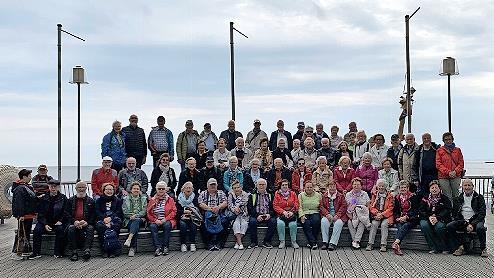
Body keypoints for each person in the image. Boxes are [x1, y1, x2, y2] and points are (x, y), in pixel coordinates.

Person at [447, 179, 488, 257]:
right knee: (449, 226)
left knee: (480, 228)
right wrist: (465, 223)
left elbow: (482, 214)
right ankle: (460, 246)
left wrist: (472, 224)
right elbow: (455, 214)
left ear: (473, 187)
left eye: (469, 185)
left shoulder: (479, 197)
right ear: (462, 187)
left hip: (475, 220)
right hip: (463, 220)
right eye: (465, 185)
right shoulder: (458, 198)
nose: (467, 187)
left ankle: (483, 248)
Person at [31, 179, 68, 259]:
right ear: (49, 187)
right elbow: (40, 213)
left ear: (58, 187)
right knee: (37, 230)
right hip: (45, 221)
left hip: (57, 222)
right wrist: (45, 224)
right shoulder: (43, 198)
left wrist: (60, 221)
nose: (53, 188)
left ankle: (58, 252)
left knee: (61, 230)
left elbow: (65, 212)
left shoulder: (63, 198)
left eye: (55, 186)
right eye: (51, 186)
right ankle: (36, 252)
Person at [419, 180, 452, 254]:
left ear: (439, 189)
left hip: (440, 218)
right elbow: (421, 210)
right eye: (432, 188)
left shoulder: (444, 198)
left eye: (436, 188)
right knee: (424, 225)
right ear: (429, 189)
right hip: (427, 218)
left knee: (439, 227)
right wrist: (429, 217)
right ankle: (433, 247)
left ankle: (444, 247)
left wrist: (437, 217)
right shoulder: (425, 198)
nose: (434, 189)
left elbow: (448, 210)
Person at [66, 181, 95, 261]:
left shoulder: (91, 201)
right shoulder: (70, 200)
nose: (81, 189)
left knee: (90, 228)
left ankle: (87, 250)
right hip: (74, 223)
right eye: (79, 187)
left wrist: (87, 222)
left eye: (83, 187)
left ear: (86, 188)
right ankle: (74, 252)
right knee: (71, 228)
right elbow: (67, 214)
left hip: (86, 223)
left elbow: (93, 215)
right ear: (76, 189)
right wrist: (74, 221)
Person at [11, 169, 36, 261]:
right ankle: (17, 252)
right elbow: (19, 202)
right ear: (24, 177)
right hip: (24, 215)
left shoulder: (25, 187)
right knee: (22, 233)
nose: (30, 177)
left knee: (25, 233)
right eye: (29, 176)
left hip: (28, 214)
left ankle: (24, 251)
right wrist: (20, 215)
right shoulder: (20, 188)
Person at [391, 181, 422, 255]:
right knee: (400, 226)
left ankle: (396, 243)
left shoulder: (413, 197)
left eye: (405, 187)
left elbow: (415, 210)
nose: (403, 189)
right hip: (400, 218)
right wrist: (398, 218)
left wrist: (407, 217)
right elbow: (395, 211)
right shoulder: (397, 197)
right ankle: (397, 246)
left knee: (405, 226)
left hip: (412, 218)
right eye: (401, 187)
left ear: (408, 188)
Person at [198, 178, 229, 250]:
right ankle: (209, 244)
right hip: (207, 213)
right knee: (202, 223)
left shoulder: (221, 193)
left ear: (217, 185)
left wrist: (218, 207)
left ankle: (219, 243)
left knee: (225, 222)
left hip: (219, 213)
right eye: (211, 185)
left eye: (214, 185)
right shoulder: (203, 193)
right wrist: (210, 209)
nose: (213, 186)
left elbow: (225, 202)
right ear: (207, 186)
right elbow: (200, 204)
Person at [147, 181, 177, 256]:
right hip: (155, 220)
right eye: (159, 189)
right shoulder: (152, 199)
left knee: (167, 225)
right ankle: (157, 248)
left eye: (162, 189)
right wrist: (155, 220)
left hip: (167, 219)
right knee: (152, 226)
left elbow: (174, 211)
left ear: (165, 190)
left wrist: (165, 219)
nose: (161, 190)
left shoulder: (170, 199)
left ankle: (165, 246)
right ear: (156, 189)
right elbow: (148, 213)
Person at [95, 183, 124, 258]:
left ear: (113, 191)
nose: (109, 191)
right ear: (104, 191)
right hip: (102, 219)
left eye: (111, 189)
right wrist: (105, 219)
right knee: (100, 226)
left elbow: (119, 212)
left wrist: (110, 219)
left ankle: (112, 250)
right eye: (107, 189)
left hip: (114, 219)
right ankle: (104, 249)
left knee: (116, 225)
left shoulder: (118, 200)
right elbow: (97, 212)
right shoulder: (98, 200)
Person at [247, 178, 277, 249]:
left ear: (266, 186)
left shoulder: (270, 195)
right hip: (256, 215)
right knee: (252, 222)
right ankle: (254, 242)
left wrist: (269, 214)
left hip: (267, 215)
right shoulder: (252, 195)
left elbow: (274, 207)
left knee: (273, 222)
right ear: (256, 186)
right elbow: (250, 208)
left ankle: (267, 241)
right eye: (260, 184)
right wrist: (257, 215)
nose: (261, 186)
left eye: (263, 184)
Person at [366, 179, 394, 252]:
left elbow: (391, 208)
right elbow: (371, 206)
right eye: (379, 186)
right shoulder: (374, 195)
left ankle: (383, 244)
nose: (381, 188)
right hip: (377, 215)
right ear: (377, 187)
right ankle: (370, 244)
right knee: (374, 224)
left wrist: (382, 214)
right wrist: (377, 213)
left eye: (383, 186)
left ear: (385, 187)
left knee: (384, 224)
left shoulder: (390, 196)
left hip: (387, 215)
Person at [436, 132, 464, 203]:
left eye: (449, 139)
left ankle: (456, 211)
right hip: (443, 176)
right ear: (443, 141)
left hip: (456, 175)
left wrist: (455, 171)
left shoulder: (458, 150)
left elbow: (461, 163)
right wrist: (448, 172)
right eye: (446, 139)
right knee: (446, 196)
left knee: (456, 195)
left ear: (452, 139)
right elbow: (438, 164)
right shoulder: (439, 150)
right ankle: (448, 212)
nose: (448, 141)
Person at [320, 181, 348, 250]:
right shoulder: (324, 196)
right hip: (328, 215)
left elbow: (344, 206)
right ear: (328, 187)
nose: (332, 188)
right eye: (330, 186)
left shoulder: (341, 196)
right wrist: (327, 214)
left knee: (338, 223)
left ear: (336, 187)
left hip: (338, 216)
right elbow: (321, 206)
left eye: (334, 186)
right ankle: (325, 242)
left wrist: (337, 215)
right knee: (323, 221)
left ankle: (332, 243)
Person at [122, 181, 148, 257]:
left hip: (140, 219)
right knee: (134, 226)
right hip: (128, 220)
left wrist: (136, 216)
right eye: (134, 189)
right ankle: (131, 247)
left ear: (140, 190)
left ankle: (130, 241)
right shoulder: (125, 199)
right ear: (131, 190)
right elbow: (124, 211)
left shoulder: (143, 199)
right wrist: (131, 216)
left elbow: (144, 211)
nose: (136, 190)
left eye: (137, 189)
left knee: (136, 221)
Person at [273, 179, 300, 249]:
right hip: (281, 215)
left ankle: (293, 241)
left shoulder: (293, 193)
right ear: (280, 186)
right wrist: (283, 212)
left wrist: (292, 211)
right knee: (280, 224)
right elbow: (275, 205)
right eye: (283, 185)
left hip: (291, 214)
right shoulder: (277, 194)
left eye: (286, 185)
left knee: (293, 225)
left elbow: (296, 204)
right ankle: (282, 241)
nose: (285, 186)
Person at [346, 177, 371, 249]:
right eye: (354, 184)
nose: (356, 186)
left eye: (358, 184)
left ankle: (356, 241)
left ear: (361, 186)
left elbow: (368, 205)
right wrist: (350, 215)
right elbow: (347, 207)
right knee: (349, 222)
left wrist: (365, 213)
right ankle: (356, 241)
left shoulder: (365, 194)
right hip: (352, 214)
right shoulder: (348, 194)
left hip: (362, 214)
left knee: (361, 222)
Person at [176, 182, 201, 252]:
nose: (188, 189)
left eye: (190, 188)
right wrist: (184, 212)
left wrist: (191, 212)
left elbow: (197, 209)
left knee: (193, 224)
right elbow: (177, 211)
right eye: (187, 188)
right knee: (182, 225)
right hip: (182, 217)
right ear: (183, 190)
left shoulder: (195, 198)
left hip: (192, 216)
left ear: (192, 190)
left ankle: (192, 243)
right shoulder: (179, 198)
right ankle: (183, 244)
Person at [298, 181, 321, 249]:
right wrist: (301, 215)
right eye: (307, 187)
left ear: (313, 187)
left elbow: (321, 206)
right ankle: (313, 242)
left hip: (315, 212)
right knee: (306, 223)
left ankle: (311, 242)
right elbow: (299, 206)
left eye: (311, 187)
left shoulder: (318, 195)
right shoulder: (301, 195)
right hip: (304, 212)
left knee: (316, 221)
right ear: (304, 188)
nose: (309, 188)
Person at [227, 181, 249, 249]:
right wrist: (234, 210)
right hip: (234, 215)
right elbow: (229, 206)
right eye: (235, 188)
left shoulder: (245, 194)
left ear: (241, 187)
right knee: (236, 224)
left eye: (238, 187)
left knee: (244, 224)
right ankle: (240, 243)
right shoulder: (230, 195)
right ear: (232, 189)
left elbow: (244, 203)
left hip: (243, 214)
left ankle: (237, 242)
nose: (237, 189)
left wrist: (238, 208)